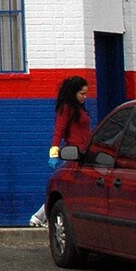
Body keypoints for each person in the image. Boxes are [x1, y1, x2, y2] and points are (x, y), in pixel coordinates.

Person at [31, 75, 93, 226]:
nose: (85, 97)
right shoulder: (67, 108)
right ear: (74, 93)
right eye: (82, 94)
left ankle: (41, 217)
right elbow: (59, 131)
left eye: (86, 94)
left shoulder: (79, 109)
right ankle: (41, 216)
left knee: (71, 189)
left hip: (84, 154)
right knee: (67, 189)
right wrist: (54, 154)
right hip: (74, 155)